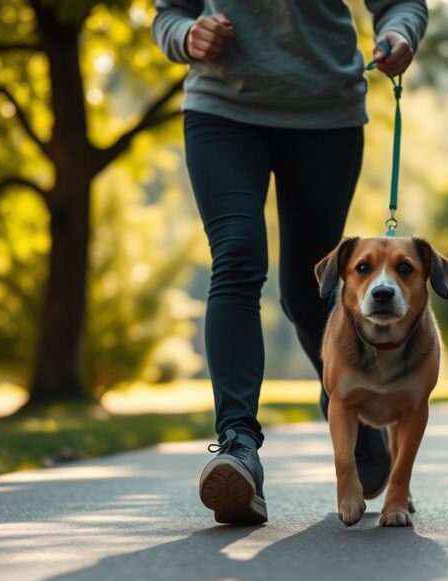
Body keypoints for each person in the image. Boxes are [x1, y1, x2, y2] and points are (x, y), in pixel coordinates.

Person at [152, 1, 428, 525]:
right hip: (222, 108)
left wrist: (399, 31)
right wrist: (187, 36)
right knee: (235, 257)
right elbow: (169, 14)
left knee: (313, 290)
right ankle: (238, 446)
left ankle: (360, 423)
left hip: (324, 114)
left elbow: (401, 4)